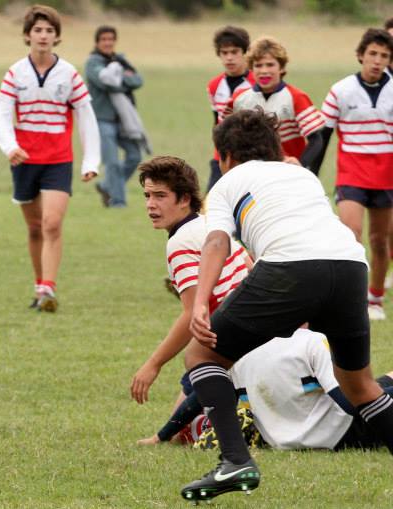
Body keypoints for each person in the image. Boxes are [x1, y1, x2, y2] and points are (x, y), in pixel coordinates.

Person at [180, 108, 393, 503]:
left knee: (200, 355)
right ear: (274, 148)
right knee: (360, 386)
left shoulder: (227, 182)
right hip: (350, 265)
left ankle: (234, 461)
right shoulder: (303, 175)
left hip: (290, 267)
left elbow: (216, 242)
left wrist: (200, 304)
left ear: (225, 155)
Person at [0, 4, 100, 312]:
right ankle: (40, 286)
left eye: (49, 30)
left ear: (57, 36)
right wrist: (10, 147)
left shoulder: (69, 74)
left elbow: (86, 116)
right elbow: (1, 113)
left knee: (52, 223)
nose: (43, 35)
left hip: (58, 159)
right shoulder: (16, 72)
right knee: (35, 227)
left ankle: (49, 289)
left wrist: (91, 161)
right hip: (24, 160)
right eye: (37, 30)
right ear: (27, 35)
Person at [141, 328, 393, 452]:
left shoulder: (240, 352)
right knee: (376, 390)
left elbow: (201, 395)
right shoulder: (312, 341)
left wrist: (161, 436)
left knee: (385, 381)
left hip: (282, 441)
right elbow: (351, 405)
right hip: (343, 434)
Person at [130, 156, 250, 407]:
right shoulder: (210, 224)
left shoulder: (180, 243)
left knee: (183, 426)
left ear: (184, 199)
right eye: (147, 196)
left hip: (225, 345)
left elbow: (192, 314)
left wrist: (153, 364)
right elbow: (249, 265)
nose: (150, 205)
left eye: (160, 196)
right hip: (251, 332)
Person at [314, 29, 393, 321]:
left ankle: (376, 299)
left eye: (384, 56)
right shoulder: (341, 90)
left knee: (380, 241)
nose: (377, 60)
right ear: (361, 55)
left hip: (386, 176)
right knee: (350, 236)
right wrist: (310, 175)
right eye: (372, 54)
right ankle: (351, 300)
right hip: (352, 174)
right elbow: (322, 137)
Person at [224, 37, 327, 173]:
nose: (264, 71)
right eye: (258, 65)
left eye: (270, 65)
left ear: (281, 67)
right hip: (252, 172)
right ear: (251, 68)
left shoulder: (296, 97)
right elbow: (227, 136)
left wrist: (301, 163)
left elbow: (316, 139)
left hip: (286, 171)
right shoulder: (239, 99)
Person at [85, 25, 145, 208]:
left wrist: (120, 78)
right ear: (97, 42)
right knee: (112, 162)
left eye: (110, 39)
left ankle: (106, 186)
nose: (107, 43)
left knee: (135, 156)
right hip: (102, 119)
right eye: (104, 39)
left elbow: (138, 80)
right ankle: (118, 202)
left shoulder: (120, 60)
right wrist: (124, 79)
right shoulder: (92, 62)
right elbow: (105, 82)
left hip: (123, 120)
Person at [205, 26, 253, 190]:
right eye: (224, 53)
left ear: (245, 52)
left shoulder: (257, 83)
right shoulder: (214, 85)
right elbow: (216, 121)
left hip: (250, 155)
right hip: (222, 155)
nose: (229, 58)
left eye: (234, 52)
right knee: (211, 200)